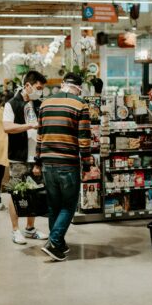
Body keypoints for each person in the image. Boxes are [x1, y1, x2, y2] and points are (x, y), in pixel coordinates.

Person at [34, 72, 91, 261]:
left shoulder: (45, 103)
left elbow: (39, 137)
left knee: (54, 206)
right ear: (79, 88)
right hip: (68, 163)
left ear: (62, 84)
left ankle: (58, 244)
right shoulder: (80, 104)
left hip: (47, 163)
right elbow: (84, 139)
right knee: (68, 206)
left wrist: (37, 161)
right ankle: (53, 241)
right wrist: (88, 166)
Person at [2, 71, 49, 245]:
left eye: (42, 88)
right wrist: (29, 125)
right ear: (27, 86)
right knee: (16, 193)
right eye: (38, 88)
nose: (40, 91)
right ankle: (15, 230)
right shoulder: (11, 104)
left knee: (34, 193)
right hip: (18, 157)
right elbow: (7, 127)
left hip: (36, 156)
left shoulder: (39, 104)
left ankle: (30, 228)